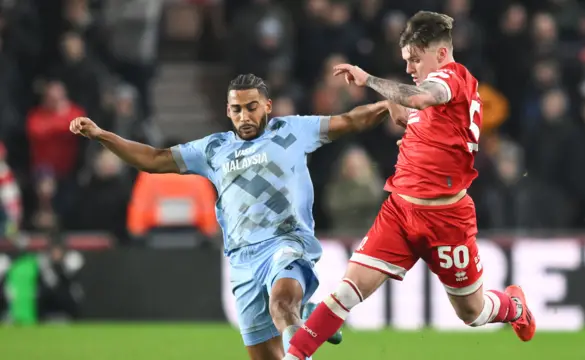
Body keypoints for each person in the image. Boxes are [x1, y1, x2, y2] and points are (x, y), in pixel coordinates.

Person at [69, 73, 391, 360]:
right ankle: (308, 319)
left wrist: (390, 105)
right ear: (227, 111)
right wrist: (102, 135)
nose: (244, 116)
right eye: (236, 109)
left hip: (285, 242)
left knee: (281, 303)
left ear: (267, 105)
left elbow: (350, 121)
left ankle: (303, 329)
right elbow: (154, 159)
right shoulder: (213, 150)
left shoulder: (291, 130)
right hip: (241, 261)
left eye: (251, 107)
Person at [283, 11, 536, 360]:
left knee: (473, 313)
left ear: (442, 54)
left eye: (415, 59)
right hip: (400, 212)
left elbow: (420, 98)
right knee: (346, 291)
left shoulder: (452, 79)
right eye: (406, 61)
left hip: (446, 219)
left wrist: (367, 78)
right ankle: (295, 355)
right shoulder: (433, 95)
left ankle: (514, 307)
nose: (410, 69)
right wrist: (394, 109)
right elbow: (421, 115)